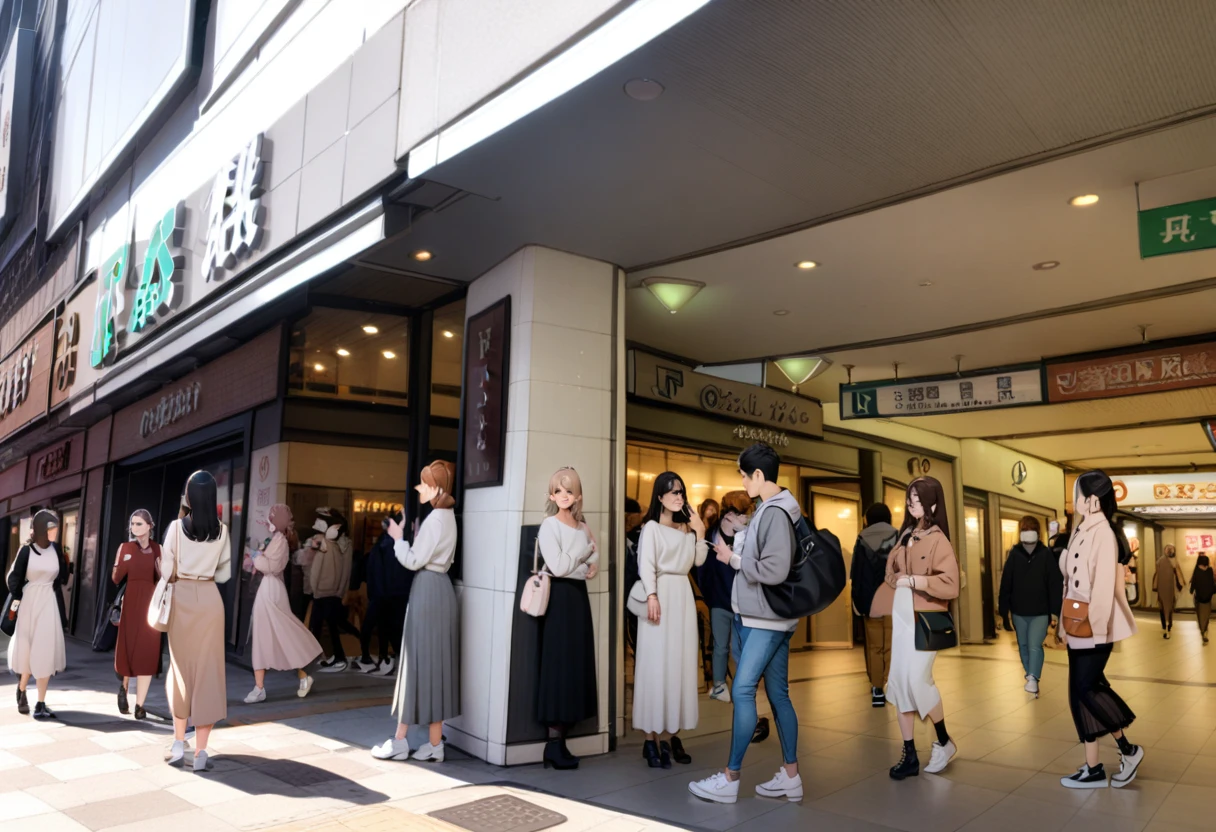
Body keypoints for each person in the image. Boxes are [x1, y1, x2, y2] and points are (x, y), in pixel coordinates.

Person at [689, 443, 802, 805]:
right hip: (775, 616)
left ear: (758, 475)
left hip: (766, 618)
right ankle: (790, 777)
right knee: (779, 694)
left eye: (743, 473)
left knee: (741, 691)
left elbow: (774, 569)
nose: (741, 480)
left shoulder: (774, 513)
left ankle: (730, 778)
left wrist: (734, 559)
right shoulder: (777, 508)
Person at [371, 461, 460, 764]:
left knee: (415, 663)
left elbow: (412, 560)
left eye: (424, 483)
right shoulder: (447, 517)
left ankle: (399, 741)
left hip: (426, 589)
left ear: (436, 487)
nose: (419, 488)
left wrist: (398, 538)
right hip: (442, 589)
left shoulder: (436, 519)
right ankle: (435, 744)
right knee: (435, 666)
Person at [1059, 470, 1142, 789]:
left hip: (1095, 624)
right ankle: (1093, 767)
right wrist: (1065, 624)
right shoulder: (1080, 529)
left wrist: (1090, 628)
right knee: (1077, 694)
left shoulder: (1104, 533)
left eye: (1078, 494)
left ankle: (1129, 750)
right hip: (1075, 619)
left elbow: (1104, 588)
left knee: (1086, 688)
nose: (1074, 499)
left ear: (1092, 500)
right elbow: (1070, 578)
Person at [878, 476, 960, 780]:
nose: (911, 503)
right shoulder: (905, 535)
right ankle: (909, 752)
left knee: (917, 680)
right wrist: (897, 580)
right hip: (901, 616)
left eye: (917, 498)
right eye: (909, 498)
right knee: (899, 684)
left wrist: (916, 581)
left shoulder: (939, 540)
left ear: (932, 504)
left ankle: (943, 740)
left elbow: (951, 584)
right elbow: (889, 571)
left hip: (925, 619)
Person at [635, 472, 707, 768]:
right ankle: (651, 739)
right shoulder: (651, 527)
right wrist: (651, 595)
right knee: (655, 665)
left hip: (682, 598)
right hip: (660, 597)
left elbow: (699, 561)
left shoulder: (686, 529)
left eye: (681, 492)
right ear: (660, 496)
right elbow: (646, 564)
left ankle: (669, 736)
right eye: (672, 492)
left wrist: (700, 530)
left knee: (678, 665)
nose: (678, 497)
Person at [163, 471, 232, 771]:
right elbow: (225, 574)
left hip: (182, 597)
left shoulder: (176, 528)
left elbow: (167, 569)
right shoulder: (223, 531)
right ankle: (202, 753)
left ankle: (179, 744)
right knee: (209, 673)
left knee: (181, 670)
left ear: (188, 496)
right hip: (210, 598)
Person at [534, 467, 598, 770]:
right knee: (559, 667)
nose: (563, 496)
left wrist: (587, 559)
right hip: (559, 599)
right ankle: (553, 744)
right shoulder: (549, 525)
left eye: (569, 491)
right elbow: (559, 568)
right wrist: (583, 555)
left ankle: (561, 744)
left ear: (578, 495)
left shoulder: (582, 525)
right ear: (551, 494)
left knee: (575, 667)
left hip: (577, 599)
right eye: (558, 491)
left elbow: (593, 565)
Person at [244, 504, 322, 703]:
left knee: (281, 633)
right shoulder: (278, 539)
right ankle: (260, 686)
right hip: (269, 589)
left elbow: (271, 566)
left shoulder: (280, 540)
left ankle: (261, 687)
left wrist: (255, 556)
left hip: (271, 590)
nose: (267, 521)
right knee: (272, 635)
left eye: (271, 517)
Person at [6, 510, 69, 719]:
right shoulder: (26, 551)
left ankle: (41, 703)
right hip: (30, 602)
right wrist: (19, 597)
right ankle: (22, 689)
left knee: (45, 651)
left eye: (56, 528)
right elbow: (13, 579)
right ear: (42, 528)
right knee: (28, 649)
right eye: (52, 528)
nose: (55, 532)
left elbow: (62, 577)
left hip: (48, 603)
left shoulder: (56, 550)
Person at [696, 491, 752, 703]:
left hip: (731, 601)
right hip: (728, 600)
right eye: (745, 512)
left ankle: (731, 687)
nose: (747, 517)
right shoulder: (716, 534)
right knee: (729, 647)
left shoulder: (736, 535)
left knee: (731, 647)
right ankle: (729, 685)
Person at [998, 516, 1062, 696]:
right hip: (1019, 612)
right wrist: (1004, 611)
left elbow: (1054, 584)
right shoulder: (1014, 554)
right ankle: (1030, 675)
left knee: (1035, 645)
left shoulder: (1045, 554)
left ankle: (1033, 677)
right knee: (1023, 645)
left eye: (1031, 528)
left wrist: (1054, 612)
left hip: (1040, 612)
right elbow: (1006, 584)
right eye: (1025, 529)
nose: (1028, 532)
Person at [112, 510, 162, 718]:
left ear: (149, 526)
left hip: (151, 608)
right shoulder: (125, 547)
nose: (134, 528)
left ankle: (140, 705)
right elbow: (116, 578)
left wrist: (163, 570)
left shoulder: (158, 549)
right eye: (132, 524)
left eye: (139, 524)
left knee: (147, 654)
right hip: (131, 605)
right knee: (127, 650)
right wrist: (123, 559)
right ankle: (123, 687)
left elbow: (164, 579)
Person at [851, 502, 899, 708]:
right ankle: (889, 684)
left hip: (871, 602)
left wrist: (858, 601)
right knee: (891, 646)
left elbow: (857, 574)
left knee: (874, 646)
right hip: (894, 600)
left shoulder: (862, 539)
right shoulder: (900, 537)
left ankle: (877, 689)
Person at [355, 511, 413, 675]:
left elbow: (374, 571)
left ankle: (372, 657)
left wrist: (374, 593)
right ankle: (391, 659)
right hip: (397, 595)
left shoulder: (382, 545)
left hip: (381, 594)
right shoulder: (402, 545)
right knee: (393, 629)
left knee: (375, 626)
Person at [302, 509, 354, 671]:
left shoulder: (333, 545)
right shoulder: (338, 544)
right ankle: (331, 655)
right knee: (328, 623)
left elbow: (318, 569)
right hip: (331, 591)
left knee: (326, 623)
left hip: (326, 591)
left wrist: (316, 588)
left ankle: (336, 655)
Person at [1155, 544, 1185, 639]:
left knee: (1163, 608)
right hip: (1170, 590)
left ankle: (1165, 626)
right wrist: (1181, 584)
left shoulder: (1159, 561)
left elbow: (1156, 575)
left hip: (1162, 589)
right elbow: (1179, 575)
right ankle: (1168, 626)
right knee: (1169, 608)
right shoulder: (1174, 562)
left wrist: (1155, 586)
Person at [1191, 554, 1214, 645]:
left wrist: (1191, 590)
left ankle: (1203, 631)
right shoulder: (1210, 570)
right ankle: (1205, 631)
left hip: (1199, 598)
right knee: (1206, 615)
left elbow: (1194, 582)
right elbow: (1211, 583)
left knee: (1200, 615)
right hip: (1207, 597)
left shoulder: (1197, 571)